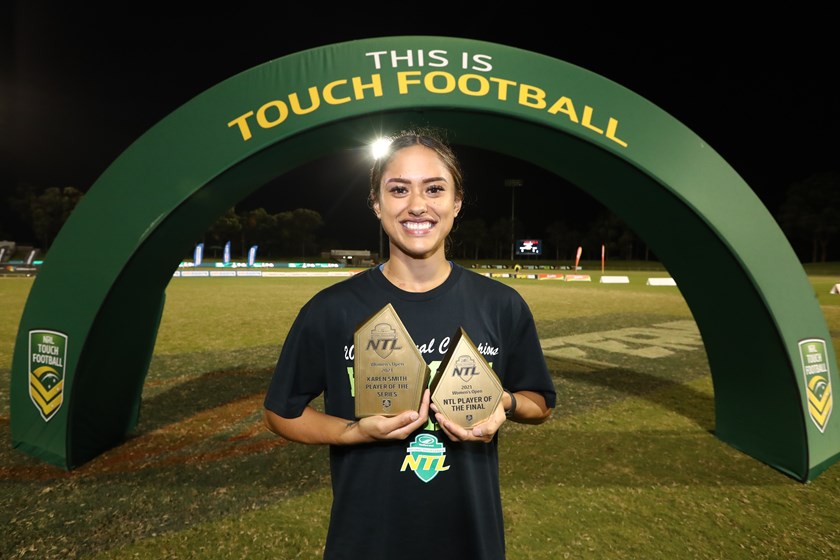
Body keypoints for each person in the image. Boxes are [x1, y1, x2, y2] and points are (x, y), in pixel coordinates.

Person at [263, 128, 556, 560]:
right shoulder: (333, 309)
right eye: (398, 190)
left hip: (472, 541)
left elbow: (540, 403)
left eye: (434, 189)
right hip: (365, 542)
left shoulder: (501, 305)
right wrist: (352, 432)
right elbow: (280, 411)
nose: (417, 205)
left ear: (456, 203)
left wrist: (506, 405)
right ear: (377, 204)